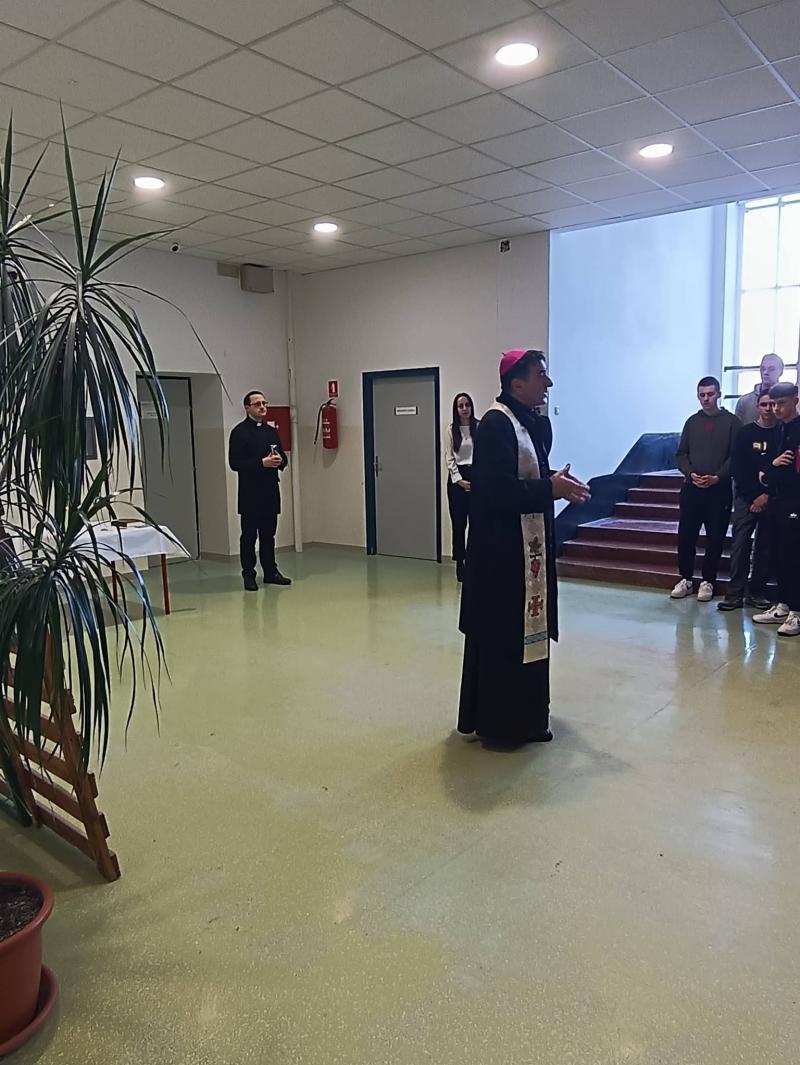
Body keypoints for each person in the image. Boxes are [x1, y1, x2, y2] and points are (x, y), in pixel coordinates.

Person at [457, 349, 590, 745]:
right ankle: (501, 726)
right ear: (517, 383)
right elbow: (494, 492)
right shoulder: (496, 424)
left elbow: (523, 476)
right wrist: (549, 488)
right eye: (540, 375)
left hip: (526, 553)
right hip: (501, 559)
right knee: (504, 638)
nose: (548, 383)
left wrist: (555, 481)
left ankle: (531, 718)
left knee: (530, 635)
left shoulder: (529, 422)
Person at [672, 377, 740, 602]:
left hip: (718, 490)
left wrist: (717, 477)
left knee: (715, 537)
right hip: (692, 488)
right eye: (702, 395)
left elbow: (736, 456)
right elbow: (681, 454)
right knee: (686, 536)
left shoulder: (732, 422)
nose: (706, 399)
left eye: (710, 394)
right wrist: (691, 474)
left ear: (718, 394)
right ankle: (686, 579)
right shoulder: (692, 422)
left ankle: (708, 581)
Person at [718, 386, 778, 611]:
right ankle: (734, 593)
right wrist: (755, 496)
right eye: (764, 404)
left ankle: (757, 592)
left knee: (765, 546)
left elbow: (784, 470)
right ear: (758, 407)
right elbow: (738, 469)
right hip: (746, 499)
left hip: (772, 499)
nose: (768, 408)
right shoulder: (745, 434)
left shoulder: (783, 433)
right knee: (741, 544)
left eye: (772, 404)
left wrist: (767, 495)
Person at [228, 391, 291, 592]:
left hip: (270, 492)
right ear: (247, 407)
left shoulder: (270, 431)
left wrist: (280, 461)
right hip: (250, 494)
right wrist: (261, 462)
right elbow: (235, 463)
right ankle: (249, 574)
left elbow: (282, 456)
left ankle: (271, 571)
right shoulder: (239, 432)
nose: (262, 407)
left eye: (264, 403)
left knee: (268, 535)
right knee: (249, 536)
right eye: (257, 404)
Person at [753, 382, 800, 637]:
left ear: (795, 401)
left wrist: (769, 472)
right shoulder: (780, 429)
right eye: (773, 404)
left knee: (793, 557)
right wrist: (770, 468)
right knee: (779, 555)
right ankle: (783, 604)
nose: (776, 409)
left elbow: (789, 470)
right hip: (778, 500)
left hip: (794, 500)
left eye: (782, 403)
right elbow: (769, 466)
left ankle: (797, 612)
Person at [445, 393, 479, 583]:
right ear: (456, 410)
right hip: (457, 481)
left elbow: (483, 455)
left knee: (477, 523)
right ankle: (460, 562)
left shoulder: (479, 427)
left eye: (467, 405)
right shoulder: (451, 430)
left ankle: (475, 562)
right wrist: (459, 480)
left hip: (476, 478)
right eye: (460, 406)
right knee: (459, 524)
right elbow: (449, 458)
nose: (464, 409)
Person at [735, 353, 784, 425]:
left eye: (771, 369)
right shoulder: (745, 402)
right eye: (763, 369)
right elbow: (738, 429)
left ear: (781, 371)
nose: (765, 372)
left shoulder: (788, 401)